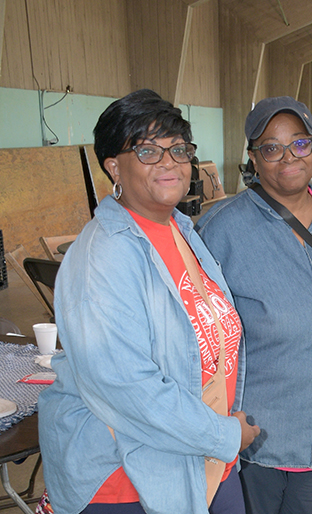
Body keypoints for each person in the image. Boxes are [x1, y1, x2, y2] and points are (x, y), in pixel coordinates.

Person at [38, 89, 260, 514]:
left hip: (200, 453)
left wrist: (219, 433)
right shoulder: (103, 257)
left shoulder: (180, 230)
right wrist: (225, 435)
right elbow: (126, 387)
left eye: (178, 149)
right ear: (113, 166)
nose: (169, 162)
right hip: (128, 478)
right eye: (147, 151)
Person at [196, 96, 312, 514]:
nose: (288, 157)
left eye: (300, 143)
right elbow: (198, 339)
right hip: (252, 434)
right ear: (254, 159)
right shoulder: (221, 230)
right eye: (271, 147)